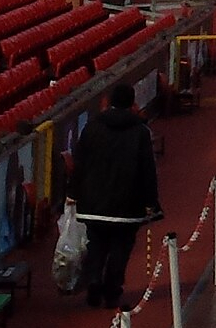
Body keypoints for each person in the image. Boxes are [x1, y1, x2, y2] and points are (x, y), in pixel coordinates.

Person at [70, 84, 161, 309]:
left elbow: (78, 164)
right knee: (121, 249)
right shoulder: (140, 132)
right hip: (127, 206)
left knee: (96, 246)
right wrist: (152, 203)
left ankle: (93, 281)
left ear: (110, 101)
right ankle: (112, 291)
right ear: (132, 103)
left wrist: (73, 193)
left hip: (93, 203)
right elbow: (147, 170)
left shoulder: (91, 128)